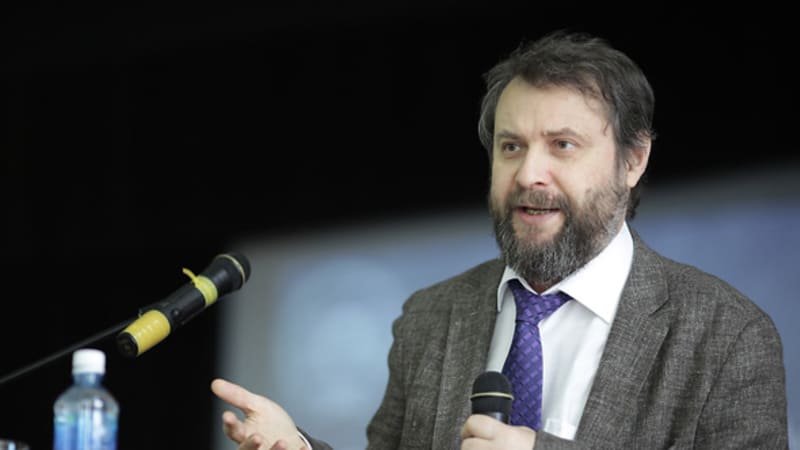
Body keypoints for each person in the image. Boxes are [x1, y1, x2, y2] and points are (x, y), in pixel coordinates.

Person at [211, 30, 789, 449]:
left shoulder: (727, 335)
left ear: (633, 160)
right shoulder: (430, 318)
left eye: (562, 146)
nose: (529, 173)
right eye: (511, 147)